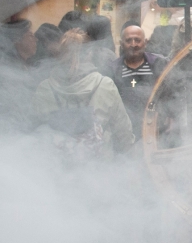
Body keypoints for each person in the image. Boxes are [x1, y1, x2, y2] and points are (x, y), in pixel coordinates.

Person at [33, 29, 134, 159]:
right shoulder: (105, 85)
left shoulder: (45, 88)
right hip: (98, 170)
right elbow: (123, 133)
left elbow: (36, 131)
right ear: (89, 54)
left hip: (56, 170)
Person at [100, 25, 168, 138]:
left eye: (137, 40)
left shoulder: (159, 64)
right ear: (121, 44)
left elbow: (172, 92)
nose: (133, 45)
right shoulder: (113, 69)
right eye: (128, 41)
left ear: (145, 42)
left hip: (156, 129)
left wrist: (170, 117)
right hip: (125, 130)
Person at [0, 19, 39, 132]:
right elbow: (12, 106)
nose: (36, 40)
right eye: (30, 35)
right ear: (16, 40)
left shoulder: (25, 65)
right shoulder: (6, 69)